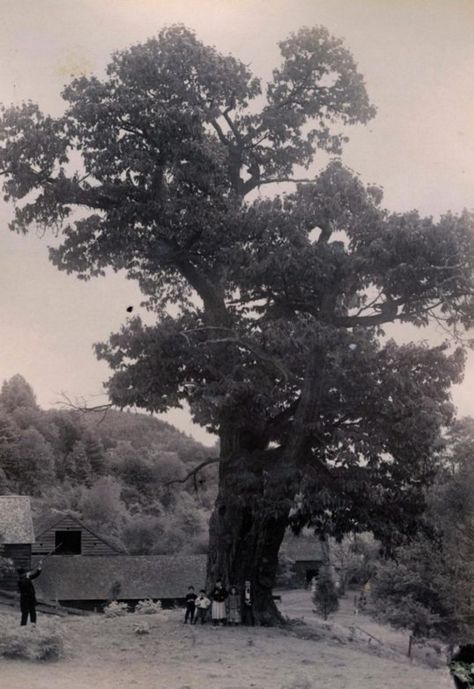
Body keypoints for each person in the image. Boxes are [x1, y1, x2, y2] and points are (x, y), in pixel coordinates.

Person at [17, 560, 42, 626]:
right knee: (25, 612)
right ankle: (23, 625)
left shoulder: (26, 578)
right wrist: (27, 577)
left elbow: (36, 575)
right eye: (25, 573)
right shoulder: (21, 580)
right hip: (25, 598)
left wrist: (39, 566)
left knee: (32, 611)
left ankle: (33, 623)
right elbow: (25, 584)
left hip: (31, 598)